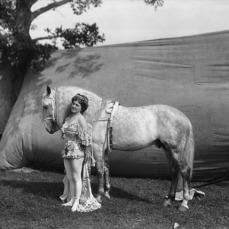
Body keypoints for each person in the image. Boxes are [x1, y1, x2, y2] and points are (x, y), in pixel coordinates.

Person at [59, 93, 101, 212]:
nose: (74, 106)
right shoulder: (68, 118)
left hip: (77, 150)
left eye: (77, 105)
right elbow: (65, 134)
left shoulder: (81, 119)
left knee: (77, 177)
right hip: (67, 149)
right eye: (73, 103)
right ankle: (72, 199)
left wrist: (88, 152)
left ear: (81, 108)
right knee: (70, 176)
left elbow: (87, 137)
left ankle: (77, 201)